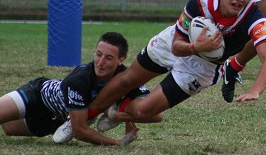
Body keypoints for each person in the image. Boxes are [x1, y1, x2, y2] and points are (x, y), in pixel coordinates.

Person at [83, 0, 266, 123]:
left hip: (203, 67)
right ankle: (84, 117)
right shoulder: (200, 2)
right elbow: (176, 46)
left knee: (145, 111)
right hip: (177, 43)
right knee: (127, 79)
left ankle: (117, 109)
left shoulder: (254, 17)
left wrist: (256, 90)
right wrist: (196, 46)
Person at [0, 32, 161, 146]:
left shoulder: (126, 77)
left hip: (55, 123)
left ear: (121, 60)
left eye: (108, 57)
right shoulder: (80, 79)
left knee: (8, 128)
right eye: (99, 54)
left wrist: (126, 118)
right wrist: (117, 143)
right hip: (38, 97)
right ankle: (110, 111)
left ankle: (110, 112)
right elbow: (80, 131)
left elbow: (156, 114)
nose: (100, 62)